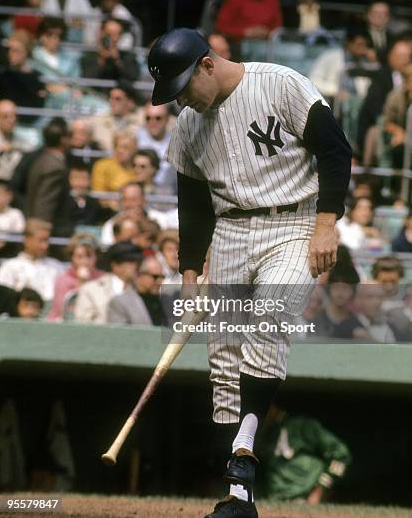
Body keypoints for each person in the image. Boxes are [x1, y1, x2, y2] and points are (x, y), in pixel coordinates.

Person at [148, 27, 352, 517]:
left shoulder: (278, 83)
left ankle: (242, 463)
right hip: (231, 232)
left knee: (268, 319)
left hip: (295, 222)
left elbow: (335, 149)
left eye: (183, 88)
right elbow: (192, 207)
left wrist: (326, 224)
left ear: (206, 64)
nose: (182, 102)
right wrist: (191, 276)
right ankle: (239, 498)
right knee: (223, 365)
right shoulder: (189, 123)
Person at [260, 403, 351, 504]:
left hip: (305, 498)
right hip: (275, 500)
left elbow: (341, 455)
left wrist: (319, 490)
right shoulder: (265, 433)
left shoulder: (302, 426)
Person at [74, 240, 142, 324]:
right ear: (115, 265)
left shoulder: (142, 290)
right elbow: (82, 324)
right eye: (130, 261)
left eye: (139, 262)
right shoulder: (90, 290)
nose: (136, 266)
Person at [25, 118, 71, 236]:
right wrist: (41, 232)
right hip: (49, 231)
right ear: (63, 140)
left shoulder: (41, 160)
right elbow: (46, 202)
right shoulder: (55, 167)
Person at [0, 218, 63, 302]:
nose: (45, 246)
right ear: (27, 240)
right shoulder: (10, 267)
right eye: (41, 241)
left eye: (47, 240)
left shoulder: (56, 267)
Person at [47, 234, 103, 322]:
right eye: (79, 257)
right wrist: (81, 284)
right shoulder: (63, 280)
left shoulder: (103, 278)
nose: (85, 262)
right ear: (72, 258)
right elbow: (67, 313)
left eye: (89, 256)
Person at [136, 102, 177, 194]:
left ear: (167, 119)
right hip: (139, 190)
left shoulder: (176, 142)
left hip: (169, 192)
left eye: (158, 118)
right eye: (148, 118)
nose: (152, 122)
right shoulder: (134, 139)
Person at [91, 84, 141, 151]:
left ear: (129, 102)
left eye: (118, 99)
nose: (112, 102)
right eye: (111, 98)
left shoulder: (139, 122)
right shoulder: (98, 120)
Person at [91, 131, 137, 201]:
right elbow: (99, 195)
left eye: (125, 147)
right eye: (116, 146)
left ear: (134, 150)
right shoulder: (102, 165)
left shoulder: (138, 167)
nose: (120, 150)